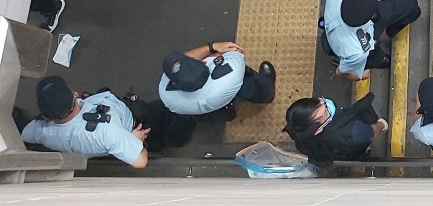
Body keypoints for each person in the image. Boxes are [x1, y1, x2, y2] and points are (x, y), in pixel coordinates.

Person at [308, 0, 421, 82]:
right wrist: (360, 74)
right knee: (382, 61)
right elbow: (341, 72)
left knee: (412, 6)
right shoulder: (356, 51)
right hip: (366, 45)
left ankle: (392, 30)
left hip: (359, 29)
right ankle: (385, 51)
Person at [20, 75, 150, 168]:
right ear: (74, 94)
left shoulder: (40, 132)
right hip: (128, 124)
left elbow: (23, 134)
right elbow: (140, 161)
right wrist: (132, 139)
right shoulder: (107, 131)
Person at [158, 40, 276, 118]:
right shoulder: (231, 73)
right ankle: (267, 92)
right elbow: (235, 52)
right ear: (204, 63)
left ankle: (228, 115)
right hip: (232, 88)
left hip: (202, 110)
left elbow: (186, 57)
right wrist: (214, 51)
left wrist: (212, 47)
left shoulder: (167, 96)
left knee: (217, 113)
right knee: (254, 86)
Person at [284, 93, 388, 167]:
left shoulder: (301, 133)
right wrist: (382, 125)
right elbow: (372, 132)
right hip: (356, 142)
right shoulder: (355, 131)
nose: (325, 102)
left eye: (319, 101)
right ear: (318, 130)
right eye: (326, 111)